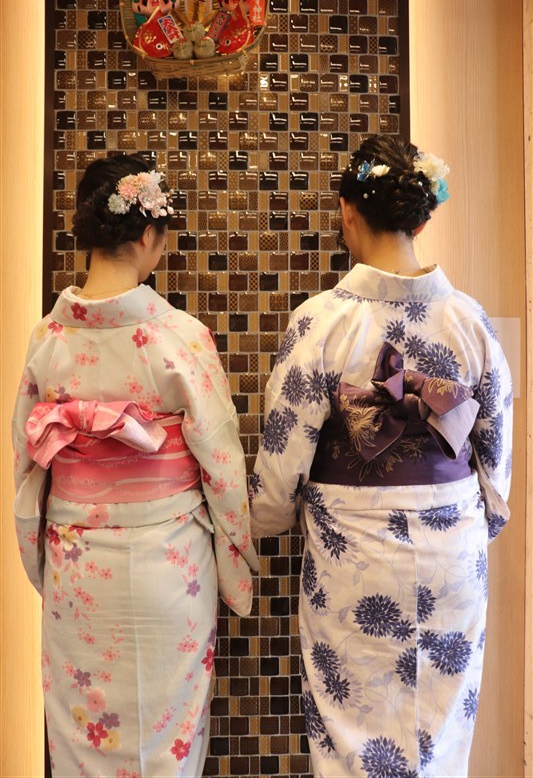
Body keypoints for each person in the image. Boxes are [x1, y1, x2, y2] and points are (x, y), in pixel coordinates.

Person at [250, 135, 512, 777]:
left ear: (348, 212)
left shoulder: (321, 322)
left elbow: (282, 465)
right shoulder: (470, 321)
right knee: (440, 734)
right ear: (422, 219)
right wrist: (467, 520)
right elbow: (495, 457)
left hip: (354, 550)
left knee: (353, 738)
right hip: (453, 548)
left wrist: (266, 521)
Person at [12, 154, 258, 776]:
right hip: (168, 568)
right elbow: (222, 465)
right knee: (166, 737)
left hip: (79, 569)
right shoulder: (181, 336)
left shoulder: (48, 340)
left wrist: (38, 560)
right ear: (148, 234)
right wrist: (236, 567)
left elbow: (26, 461)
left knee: (82, 736)